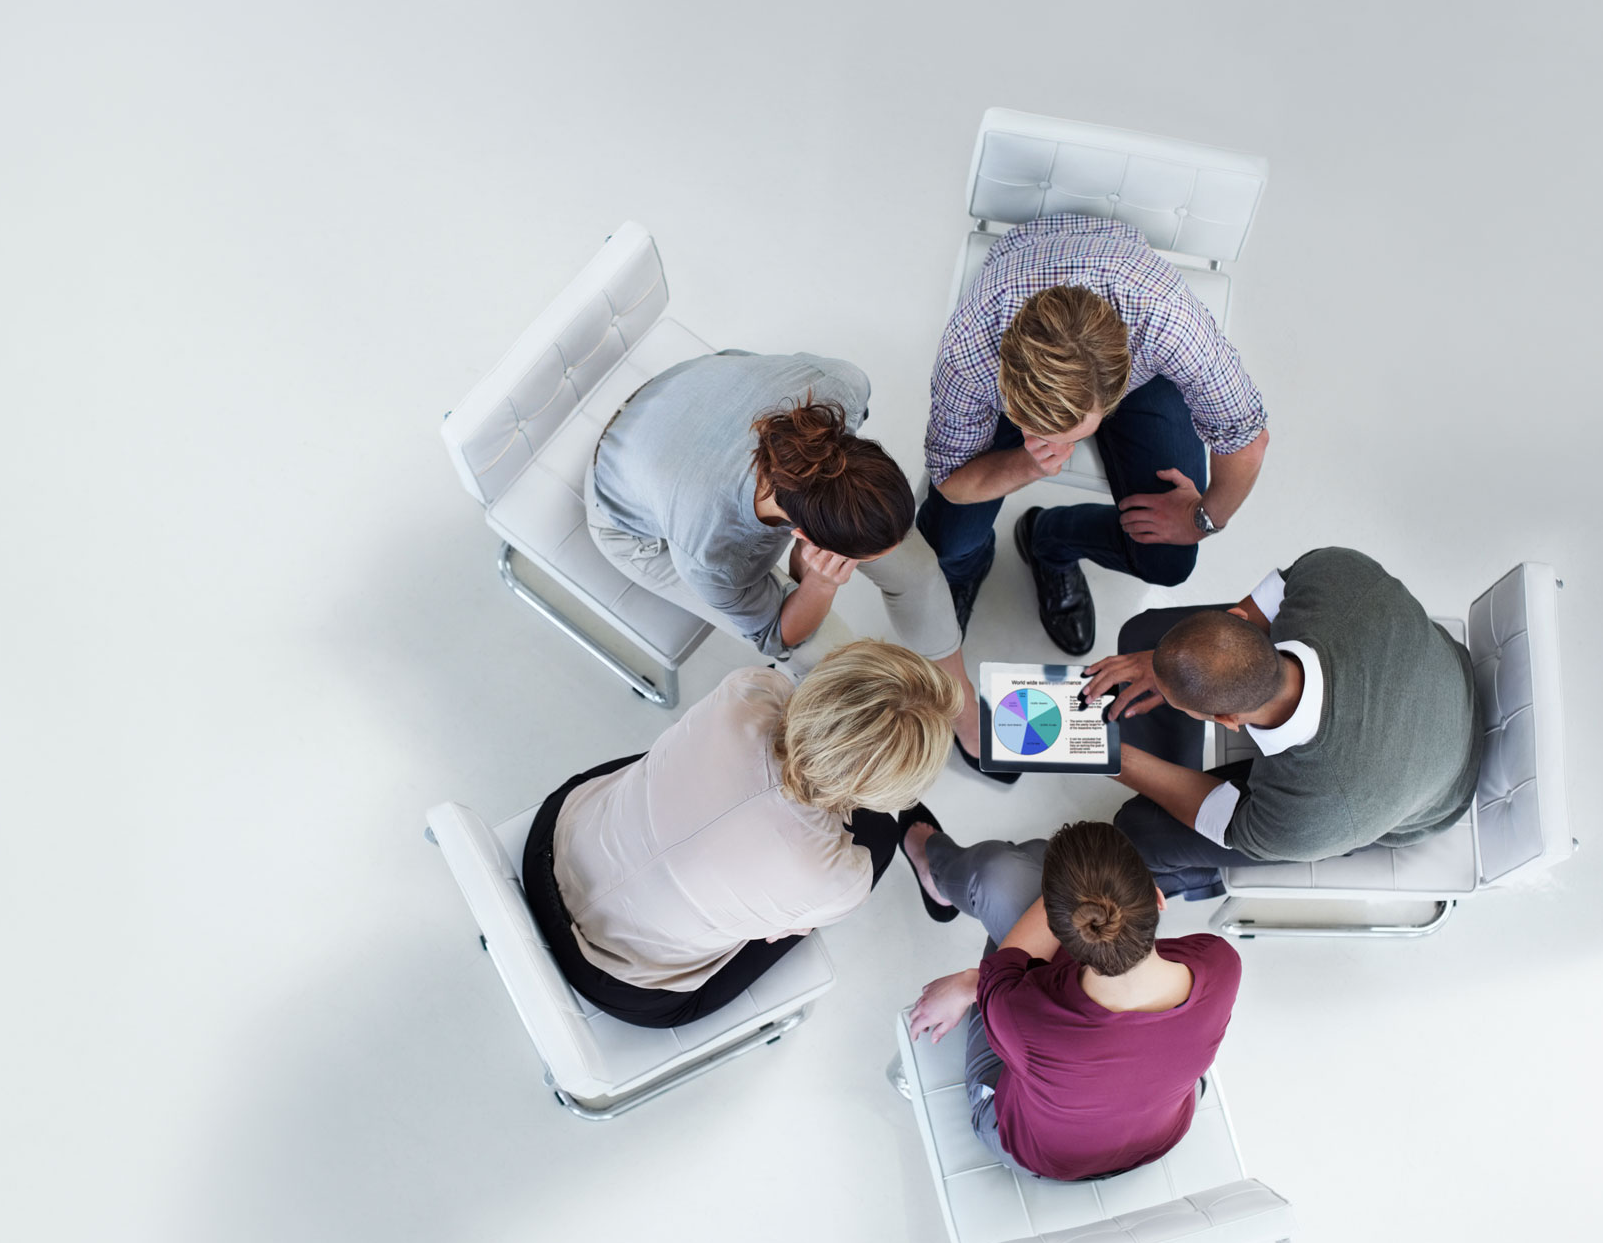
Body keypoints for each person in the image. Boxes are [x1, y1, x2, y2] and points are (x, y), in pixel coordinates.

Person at [586, 350, 989, 772]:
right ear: (803, 536)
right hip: (628, 509)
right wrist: (818, 584)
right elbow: (777, 636)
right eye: (854, 559)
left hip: (682, 393)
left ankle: (962, 707)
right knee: (829, 658)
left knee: (915, 568)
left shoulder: (842, 385)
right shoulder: (712, 554)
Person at [521, 642, 960, 1029]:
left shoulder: (750, 689)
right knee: (880, 835)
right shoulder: (839, 880)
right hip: (621, 983)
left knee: (682, 765)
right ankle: (896, 825)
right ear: (886, 788)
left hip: (550, 849)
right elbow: (782, 928)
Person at [916, 215, 1271, 657]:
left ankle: (1048, 541)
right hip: (1017, 282)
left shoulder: (1167, 321)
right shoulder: (970, 347)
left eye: (1072, 434)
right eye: (1032, 425)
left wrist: (1204, 517)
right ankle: (968, 568)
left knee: (1169, 562)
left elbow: (1247, 439)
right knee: (948, 540)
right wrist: (1027, 463)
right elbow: (950, 477)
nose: (1057, 445)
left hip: (1132, 340)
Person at [1079, 547, 1484, 899]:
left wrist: (1113, 758)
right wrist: (1166, 664)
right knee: (1144, 634)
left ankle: (1197, 878)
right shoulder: (1334, 570)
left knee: (1139, 830)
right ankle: (1169, 740)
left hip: (1438, 786)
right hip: (1444, 676)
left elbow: (1231, 822)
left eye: (1179, 704)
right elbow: (1254, 612)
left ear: (1227, 720)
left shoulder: (1309, 812)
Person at [903, 819, 1241, 1181]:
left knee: (1002, 873)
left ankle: (938, 869)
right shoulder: (1221, 964)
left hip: (1036, 1152)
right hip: (1161, 1133)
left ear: (1059, 932)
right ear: (1158, 898)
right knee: (1019, 867)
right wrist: (973, 983)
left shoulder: (1023, 1014)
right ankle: (999, 863)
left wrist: (974, 982)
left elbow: (1003, 969)